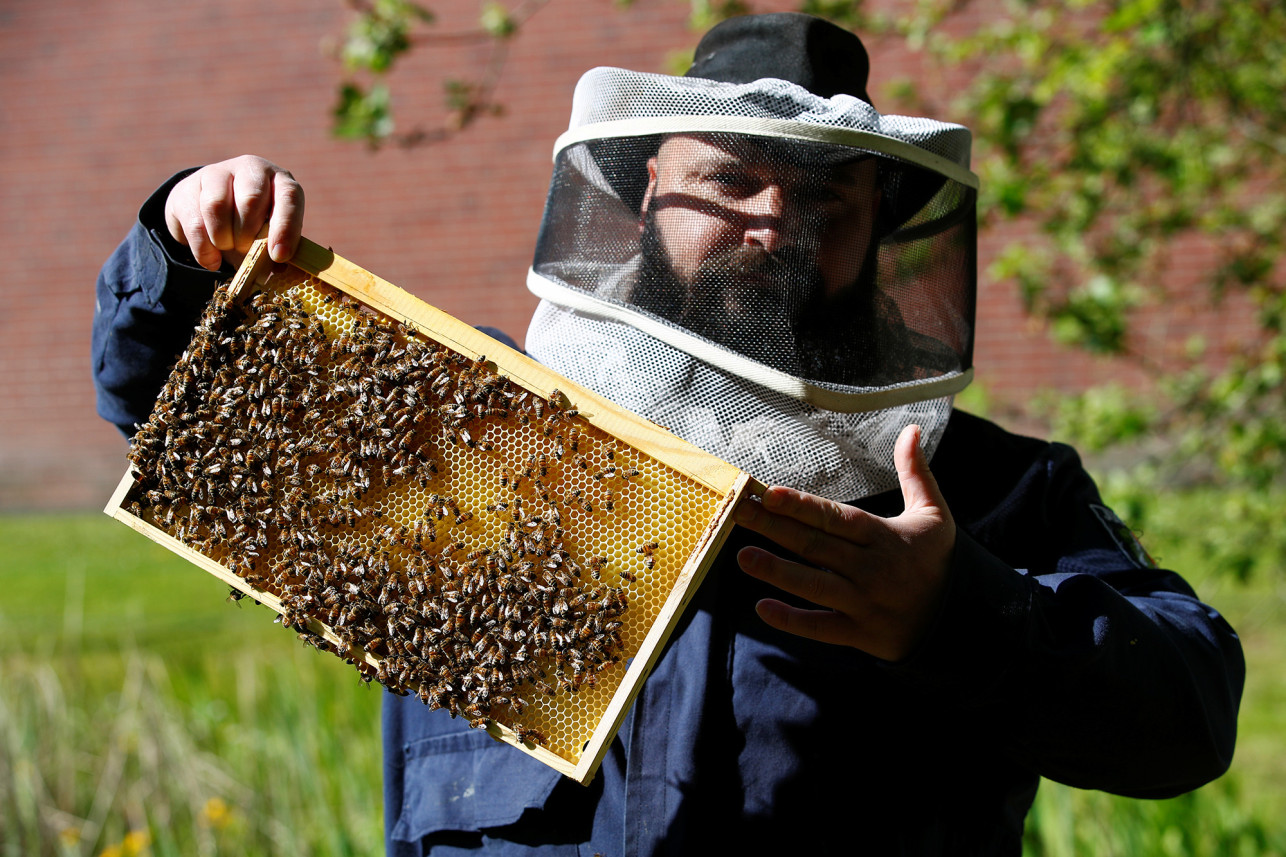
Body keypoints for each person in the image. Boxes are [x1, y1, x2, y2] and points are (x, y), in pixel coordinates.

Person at [93, 13, 1244, 855]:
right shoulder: (484, 421)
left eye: (824, 201)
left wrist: (961, 613)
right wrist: (188, 241)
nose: (770, 222)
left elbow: (1185, 711)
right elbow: (172, 397)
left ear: (880, 228)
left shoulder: (981, 492)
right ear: (646, 183)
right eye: (730, 179)